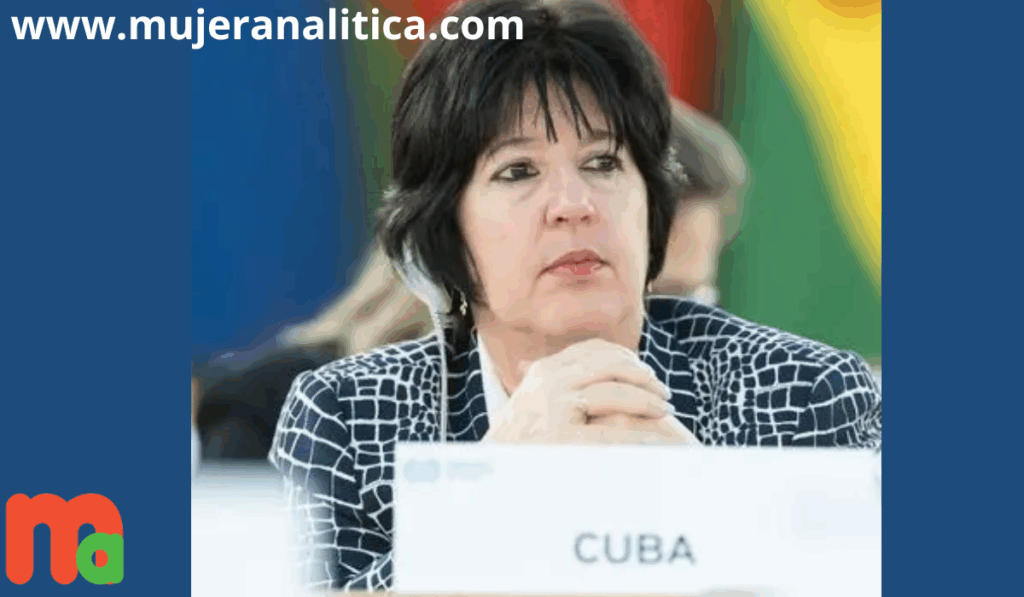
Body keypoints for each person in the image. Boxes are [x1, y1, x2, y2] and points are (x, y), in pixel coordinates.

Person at [269, 0, 882, 590]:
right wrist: (492, 496)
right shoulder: (349, 415)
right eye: (518, 171)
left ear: (651, 204)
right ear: (445, 230)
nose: (574, 204)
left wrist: (707, 514)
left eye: (603, 163)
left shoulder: (808, 395)